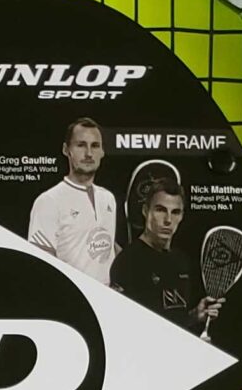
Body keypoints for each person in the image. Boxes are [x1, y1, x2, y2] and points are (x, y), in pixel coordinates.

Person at [109, 184, 221, 331]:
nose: (168, 220)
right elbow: (121, 325)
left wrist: (195, 316)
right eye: (160, 210)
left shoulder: (181, 261)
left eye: (175, 212)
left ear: (181, 216)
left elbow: (175, 320)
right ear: (145, 211)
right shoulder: (127, 261)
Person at [27, 116, 117, 283]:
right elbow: (41, 264)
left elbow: (106, 245)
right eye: (81, 145)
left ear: (102, 152)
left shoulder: (108, 198)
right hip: (70, 296)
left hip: (106, 296)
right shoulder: (48, 201)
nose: (89, 153)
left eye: (95, 146)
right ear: (66, 150)